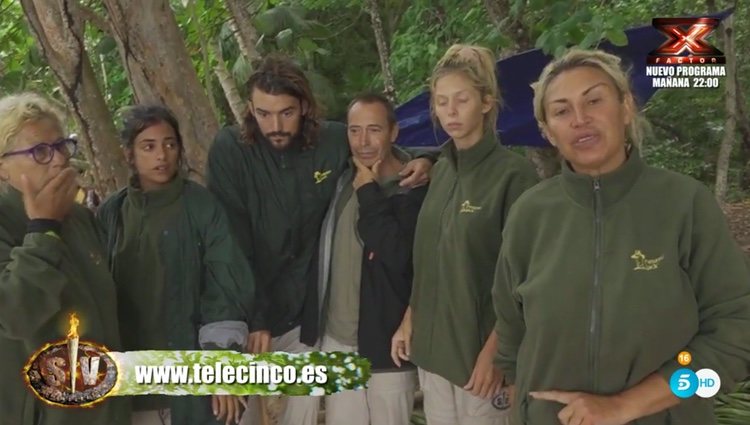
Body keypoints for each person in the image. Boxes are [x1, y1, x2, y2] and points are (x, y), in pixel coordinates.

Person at [492, 48, 750, 425]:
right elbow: (511, 332)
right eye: (562, 111)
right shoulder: (528, 214)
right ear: (547, 131)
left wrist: (629, 404)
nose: (580, 119)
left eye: (594, 100)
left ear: (626, 106)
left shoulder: (685, 204)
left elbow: (736, 337)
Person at [205, 54, 433, 425]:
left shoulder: (331, 140)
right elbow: (230, 245)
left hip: (303, 323)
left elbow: (380, 149)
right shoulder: (231, 150)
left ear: (305, 107)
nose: (275, 125)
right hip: (247, 320)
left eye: (286, 113)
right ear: (249, 109)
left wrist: (427, 160)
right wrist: (256, 318)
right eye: (263, 114)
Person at [391, 44, 539, 425]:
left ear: (486, 102)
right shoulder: (440, 171)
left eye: (461, 100)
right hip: (432, 351)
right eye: (441, 102)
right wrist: (410, 317)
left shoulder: (513, 176)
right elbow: (430, 256)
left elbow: (524, 278)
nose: (451, 112)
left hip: (480, 361)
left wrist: (498, 354)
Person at [97, 105, 255, 425]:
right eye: (149, 146)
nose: (162, 156)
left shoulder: (201, 206)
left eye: (170, 144)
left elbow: (226, 287)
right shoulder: (112, 214)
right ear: (130, 154)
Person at [0, 92, 130, 425]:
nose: (59, 160)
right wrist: (43, 229)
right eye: (40, 152)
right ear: (3, 167)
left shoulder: (80, 218)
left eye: (61, 146)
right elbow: (14, 313)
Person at [317, 93, 426, 425]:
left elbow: (400, 258)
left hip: (387, 346)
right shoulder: (339, 177)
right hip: (338, 340)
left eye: (374, 130)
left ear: (393, 132)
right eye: (354, 130)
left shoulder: (414, 188)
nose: (362, 142)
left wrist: (369, 191)